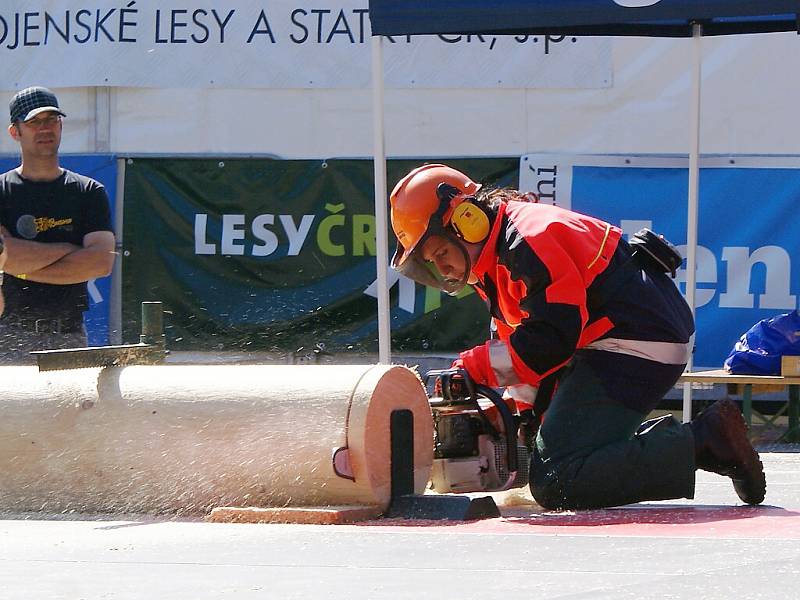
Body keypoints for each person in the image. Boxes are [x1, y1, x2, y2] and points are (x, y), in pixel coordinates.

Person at [389, 163, 766, 509]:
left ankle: (704, 441)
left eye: (440, 252)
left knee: (558, 479)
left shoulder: (530, 239)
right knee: (541, 453)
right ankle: (674, 442)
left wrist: (473, 367)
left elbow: (550, 341)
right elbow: (527, 349)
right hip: (602, 341)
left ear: (466, 220)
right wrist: (514, 415)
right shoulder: (495, 261)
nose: (442, 267)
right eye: (430, 263)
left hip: (636, 340)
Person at [0, 86, 115, 363]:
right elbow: (5, 256)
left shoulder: (88, 192)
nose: (45, 128)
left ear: (61, 126)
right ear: (15, 131)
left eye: (51, 120)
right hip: (9, 336)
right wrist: (69, 248)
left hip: (69, 336)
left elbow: (100, 263)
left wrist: (19, 267)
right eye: (34, 122)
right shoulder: (2, 193)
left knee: (75, 408)